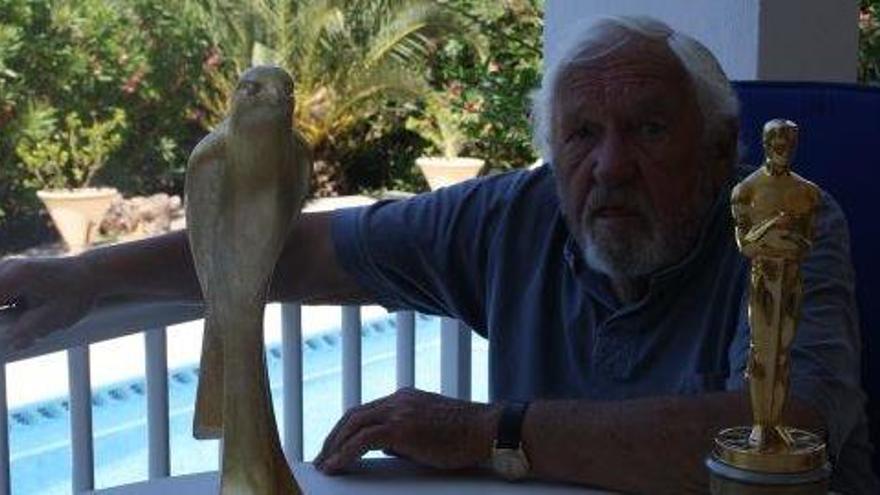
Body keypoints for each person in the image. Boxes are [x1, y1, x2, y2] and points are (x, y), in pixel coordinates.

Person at [0, 16, 875, 494]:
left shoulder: (787, 222)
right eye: (581, 134)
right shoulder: (519, 214)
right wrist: (87, 279)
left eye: (648, 129)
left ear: (720, 149)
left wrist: (487, 433)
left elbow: (786, 434)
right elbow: (296, 250)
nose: (609, 165)